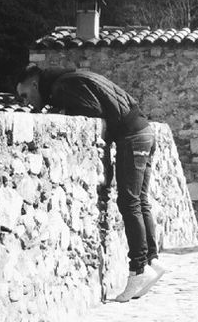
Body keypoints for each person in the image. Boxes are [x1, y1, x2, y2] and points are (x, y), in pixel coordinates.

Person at [16, 64, 162, 301]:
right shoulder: (73, 78)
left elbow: (91, 112)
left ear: (35, 84)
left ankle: (139, 270)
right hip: (144, 131)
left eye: (25, 95)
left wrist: (60, 111)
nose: (25, 102)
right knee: (140, 201)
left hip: (132, 137)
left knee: (129, 202)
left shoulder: (63, 86)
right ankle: (151, 262)